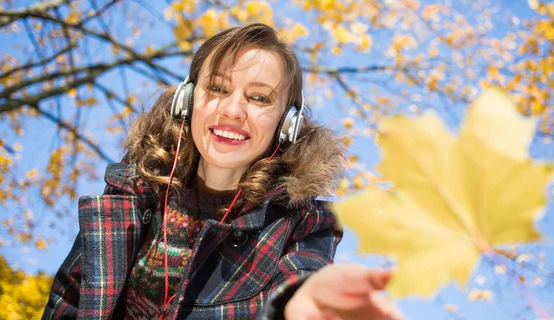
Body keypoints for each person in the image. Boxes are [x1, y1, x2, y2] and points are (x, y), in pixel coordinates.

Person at [42, 23, 402, 320]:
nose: (233, 110)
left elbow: (301, 278)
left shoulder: (303, 225)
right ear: (188, 100)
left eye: (259, 98)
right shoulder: (129, 194)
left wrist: (299, 301)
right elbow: (66, 303)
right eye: (217, 88)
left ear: (286, 124)